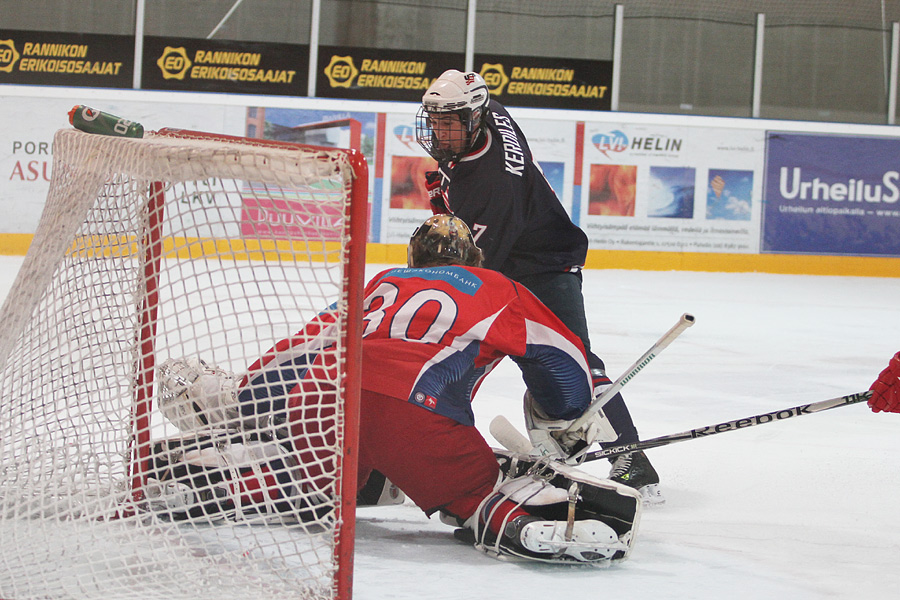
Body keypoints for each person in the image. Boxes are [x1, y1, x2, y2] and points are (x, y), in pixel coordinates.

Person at [150, 215, 642, 564]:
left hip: (323, 403)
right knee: (473, 490)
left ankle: (218, 483)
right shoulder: (496, 287)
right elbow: (561, 356)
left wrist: (248, 400)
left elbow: (297, 350)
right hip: (413, 414)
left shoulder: (382, 282)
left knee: (326, 483)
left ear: (414, 257)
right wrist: (568, 420)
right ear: (475, 257)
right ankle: (517, 519)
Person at [415, 69, 660, 503]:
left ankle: (631, 462)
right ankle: (558, 441)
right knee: (541, 361)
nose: (440, 131)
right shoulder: (487, 113)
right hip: (522, 249)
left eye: (449, 122)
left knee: (573, 361)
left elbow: (470, 268)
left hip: (541, 266)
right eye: (435, 120)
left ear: (473, 119)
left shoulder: (493, 186)